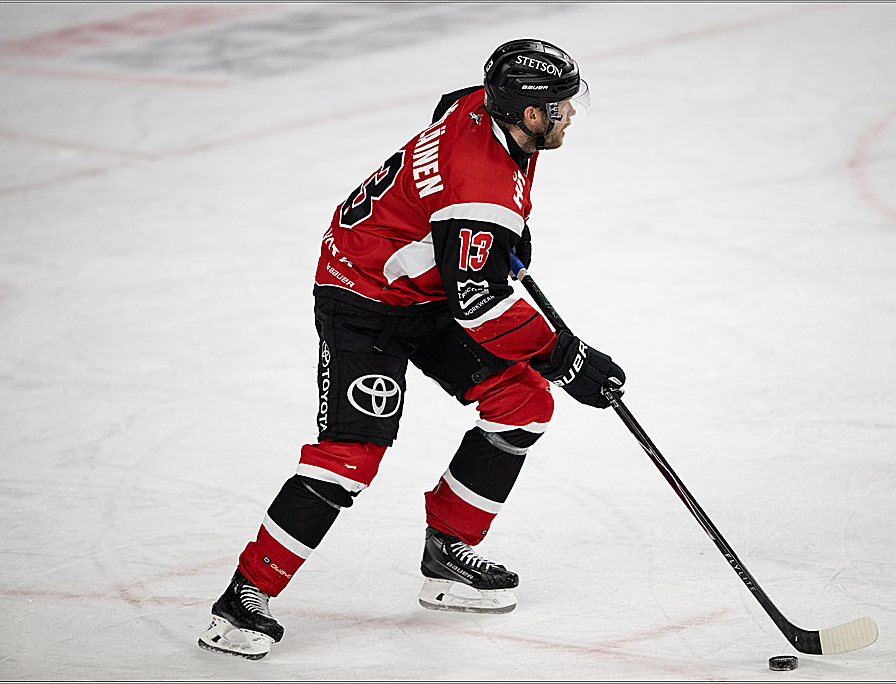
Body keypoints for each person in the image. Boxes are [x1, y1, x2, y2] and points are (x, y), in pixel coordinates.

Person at [198, 38, 626, 660]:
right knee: (351, 455)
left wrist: (494, 239)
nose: (570, 116)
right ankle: (241, 599)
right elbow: (478, 305)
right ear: (529, 114)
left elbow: (446, 107)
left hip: (420, 291)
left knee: (521, 403)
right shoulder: (480, 190)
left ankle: (448, 556)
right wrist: (567, 357)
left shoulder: (484, 110)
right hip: (362, 295)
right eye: (561, 106)